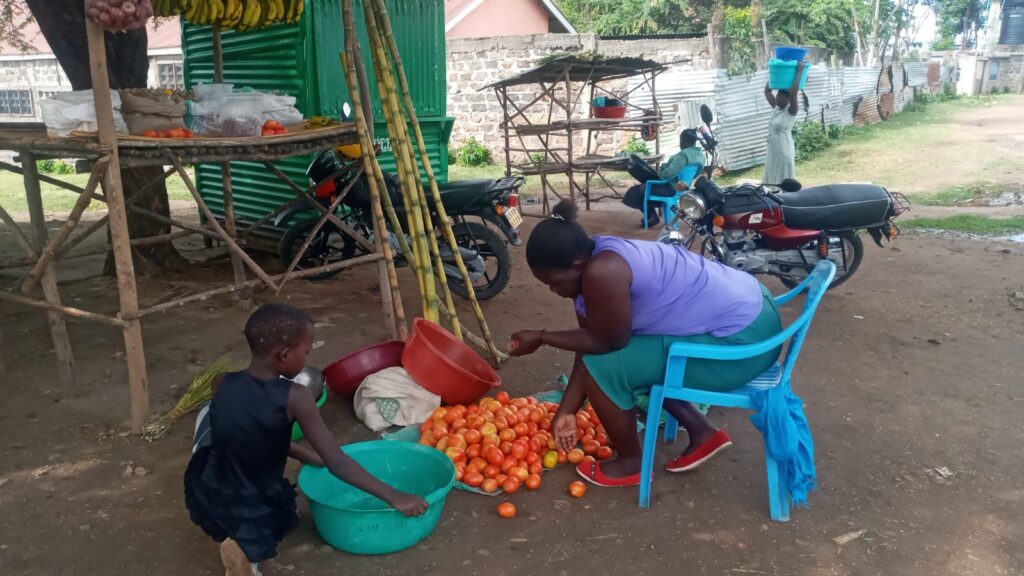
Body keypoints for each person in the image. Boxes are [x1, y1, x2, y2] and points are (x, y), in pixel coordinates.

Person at [508, 201, 782, 487]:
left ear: (576, 266)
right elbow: (591, 342)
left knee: (610, 367)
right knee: (633, 355)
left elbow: (605, 345)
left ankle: (631, 464)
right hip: (757, 314)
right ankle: (702, 431)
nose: (553, 291)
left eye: (554, 283)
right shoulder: (598, 255)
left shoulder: (603, 273)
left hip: (745, 345)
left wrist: (541, 337)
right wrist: (567, 410)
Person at [184, 303, 427, 576]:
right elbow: (338, 462)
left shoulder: (222, 382)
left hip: (214, 478)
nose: (308, 358)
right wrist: (394, 496)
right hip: (251, 492)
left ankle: (240, 539)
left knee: (273, 512)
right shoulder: (295, 397)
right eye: (306, 352)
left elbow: (247, 433)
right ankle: (238, 558)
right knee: (252, 534)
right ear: (285, 355)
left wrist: (304, 454)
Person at [622, 129, 705, 227]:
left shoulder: (683, 155)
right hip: (682, 188)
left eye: (681, 141)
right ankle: (652, 216)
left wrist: (662, 172)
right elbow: (695, 173)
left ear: (683, 141)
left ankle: (651, 216)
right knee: (645, 188)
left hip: (669, 189)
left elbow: (669, 173)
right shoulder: (700, 155)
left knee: (635, 191)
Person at [763, 60, 806, 185]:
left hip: (783, 148)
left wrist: (799, 71)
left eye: (781, 97)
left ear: (788, 99)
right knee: (771, 170)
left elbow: (793, 93)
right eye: (777, 96)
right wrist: (774, 74)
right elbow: (767, 91)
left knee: (783, 174)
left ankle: (786, 196)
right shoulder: (776, 108)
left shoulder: (791, 111)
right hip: (772, 148)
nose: (777, 98)